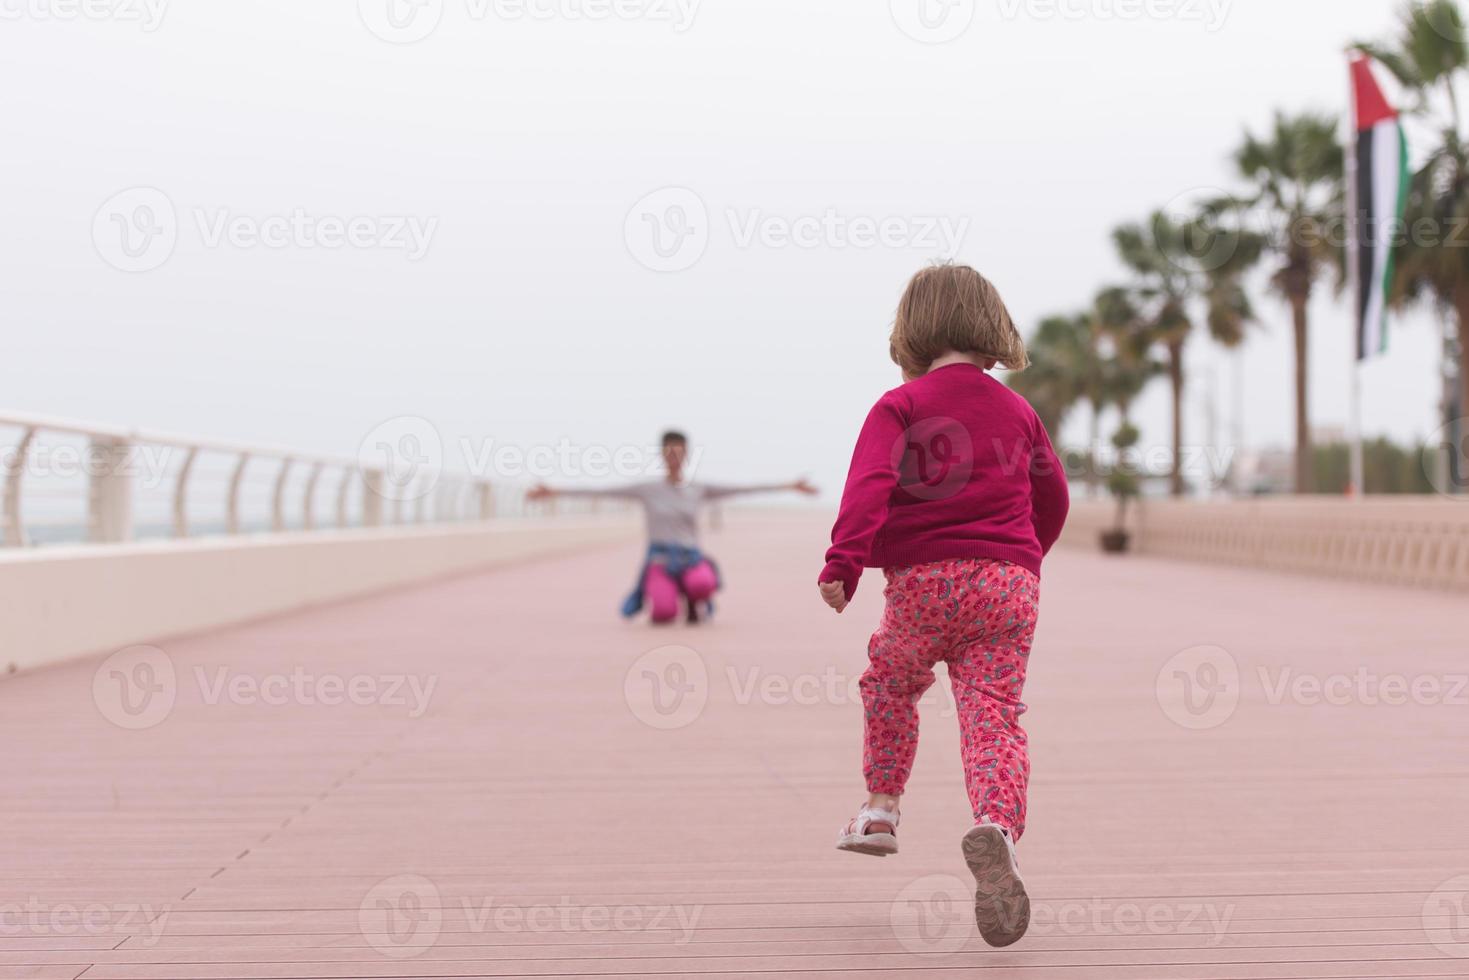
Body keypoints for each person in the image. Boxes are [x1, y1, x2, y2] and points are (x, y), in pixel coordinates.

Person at [816, 264, 1069, 948]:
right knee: (992, 715)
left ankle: (879, 810)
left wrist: (844, 562)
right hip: (1008, 585)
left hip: (924, 585)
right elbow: (1053, 500)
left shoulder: (899, 407)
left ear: (913, 332)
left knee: (891, 683)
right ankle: (996, 827)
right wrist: (1023, 558)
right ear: (991, 329)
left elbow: (868, 485)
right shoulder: (1018, 411)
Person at [529, 431, 817, 623]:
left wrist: (789, 486)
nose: (674, 458)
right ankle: (669, 595)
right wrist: (554, 492)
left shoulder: (698, 489)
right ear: (662, 455)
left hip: (691, 558)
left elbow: (742, 489)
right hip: (660, 560)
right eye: (669, 453)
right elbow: (603, 491)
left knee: (703, 583)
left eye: (679, 453)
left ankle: (693, 598)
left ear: (687, 455)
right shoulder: (648, 489)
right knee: (664, 614)